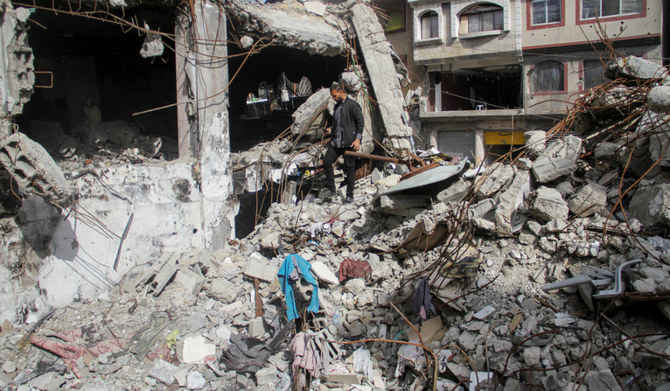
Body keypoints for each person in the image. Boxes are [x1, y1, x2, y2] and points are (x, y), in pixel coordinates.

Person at [322, 82, 364, 203]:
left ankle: (350, 195)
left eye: (335, 96)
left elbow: (360, 123)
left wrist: (357, 140)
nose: (334, 98)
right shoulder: (336, 107)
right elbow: (337, 125)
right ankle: (331, 188)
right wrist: (330, 129)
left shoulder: (353, 105)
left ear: (341, 92)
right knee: (327, 161)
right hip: (336, 143)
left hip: (349, 143)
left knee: (350, 168)